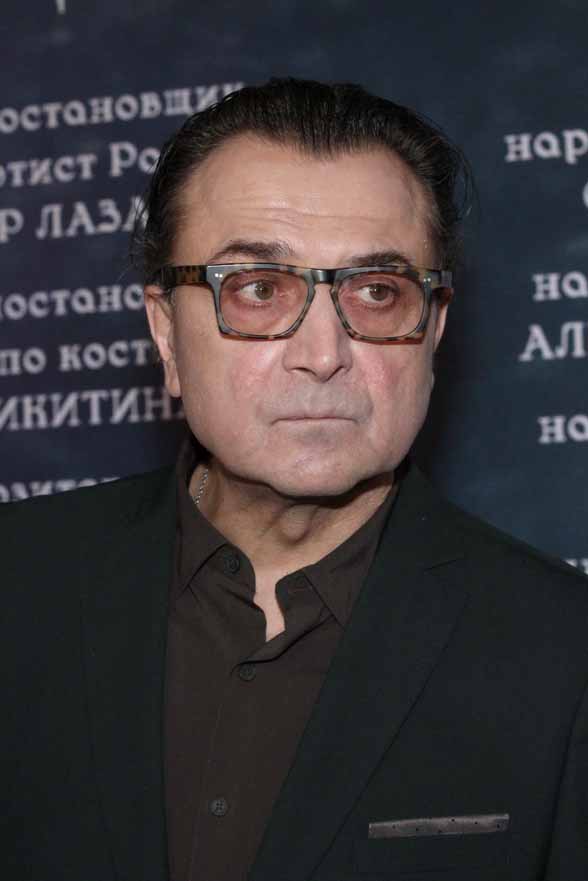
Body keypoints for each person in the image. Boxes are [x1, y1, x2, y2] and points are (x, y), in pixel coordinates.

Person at [3, 78, 588, 881]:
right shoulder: (19, 585)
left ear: (434, 331)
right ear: (166, 333)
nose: (323, 354)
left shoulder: (564, 654)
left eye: (377, 293)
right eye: (258, 289)